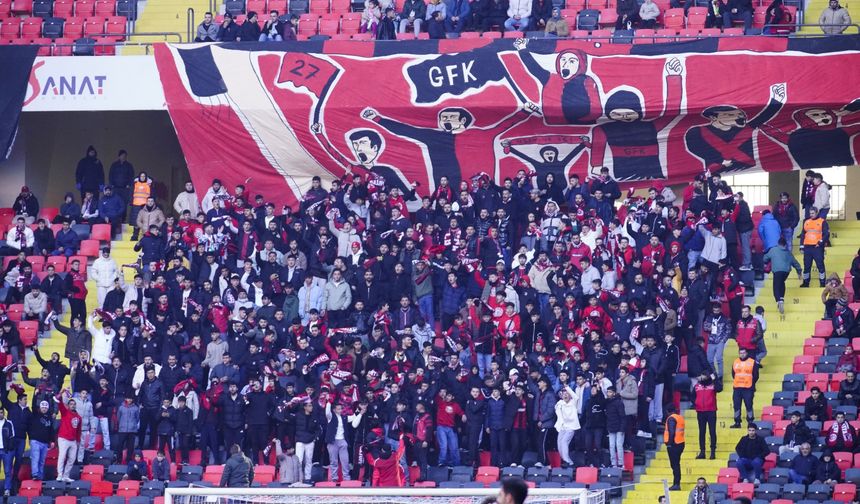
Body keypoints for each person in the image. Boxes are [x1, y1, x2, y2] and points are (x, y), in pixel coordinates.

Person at [763, 238, 802, 314]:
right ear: (785, 244)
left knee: (776, 286)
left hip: (777, 271)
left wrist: (767, 261)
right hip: (786, 272)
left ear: (778, 243)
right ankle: (781, 298)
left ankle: (778, 301)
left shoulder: (773, 250)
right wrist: (799, 272)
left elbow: (765, 258)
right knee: (782, 283)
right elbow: (795, 263)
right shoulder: (788, 253)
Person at [54, 390, 82, 483]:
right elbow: (58, 402)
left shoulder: (79, 417)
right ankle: (60, 475)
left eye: (74, 404)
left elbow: (78, 430)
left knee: (72, 459)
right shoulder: (65, 412)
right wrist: (62, 392)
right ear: (68, 405)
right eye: (71, 404)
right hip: (63, 438)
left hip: (73, 440)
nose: (73, 405)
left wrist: (78, 441)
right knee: (62, 457)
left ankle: (66, 475)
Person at [800, 206, 830, 288]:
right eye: (810, 213)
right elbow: (803, 234)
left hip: (817, 247)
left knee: (820, 265)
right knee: (806, 266)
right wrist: (801, 246)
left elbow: (826, 234)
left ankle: (822, 283)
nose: (811, 215)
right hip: (807, 247)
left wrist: (821, 242)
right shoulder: (806, 222)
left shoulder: (822, 222)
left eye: (813, 213)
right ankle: (806, 283)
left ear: (817, 213)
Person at [730, 348, 758, 428]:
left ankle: (750, 421)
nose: (742, 354)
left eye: (744, 353)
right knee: (736, 405)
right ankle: (737, 422)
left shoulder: (752, 362)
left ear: (747, 353)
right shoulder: (735, 362)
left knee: (749, 405)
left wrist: (751, 383)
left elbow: (756, 375)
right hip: (737, 387)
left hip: (748, 387)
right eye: (740, 353)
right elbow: (733, 374)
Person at [693, 372, 717, 460]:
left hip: (711, 411)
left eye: (703, 375)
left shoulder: (713, 385)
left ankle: (713, 452)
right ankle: (702, 452)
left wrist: (714, 378)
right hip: (700, 412)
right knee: (702, 432)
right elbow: (692, 396)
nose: (701, 377)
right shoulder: (696, 386)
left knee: (712, 431)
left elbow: (720, 388)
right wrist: (696, 404)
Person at [664, 404, 685, 491]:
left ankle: (676, 484)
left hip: (674, 444)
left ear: (667, 411)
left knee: (675, 465)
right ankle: (676, 483)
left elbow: (672, 432)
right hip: (680, 442)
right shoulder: (680, 417)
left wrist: (669, 443)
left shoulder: (671, 419)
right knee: (677, 464)